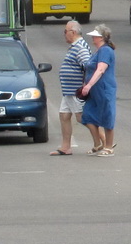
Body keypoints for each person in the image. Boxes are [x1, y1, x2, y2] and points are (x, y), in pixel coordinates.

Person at [48, 20, 91, 156]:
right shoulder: (75, 46)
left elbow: (88, 66)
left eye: (65, 31)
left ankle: (103, 138)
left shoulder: (80, 47)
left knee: (81, 117)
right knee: (64, 115)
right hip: (69, 90)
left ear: (72, 32)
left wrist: (86, 85)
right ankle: (66, 147)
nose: (64, 34)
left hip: (76, 90)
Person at [78, 25, 118, 156]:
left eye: (94, 36)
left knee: (107, 115)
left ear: (101, 38)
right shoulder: (98, 51)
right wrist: (86, 85)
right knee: (88, 116)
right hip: (95, 90)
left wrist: (89, 85)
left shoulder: (105, 51)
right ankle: (98, 144)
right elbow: (89, 69)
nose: (92, 38)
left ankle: (109, 147)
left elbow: (101, 69)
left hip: (104, 88)